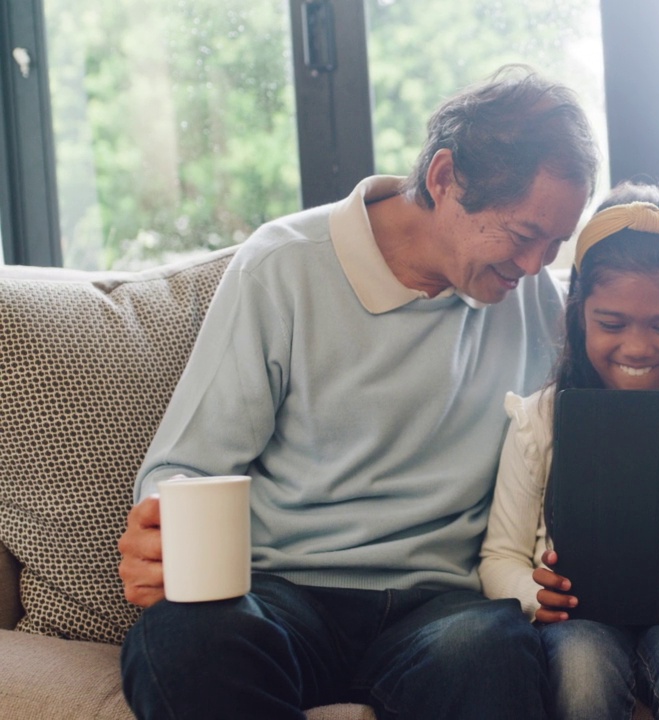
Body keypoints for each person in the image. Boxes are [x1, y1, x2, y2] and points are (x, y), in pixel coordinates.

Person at [114, 66, 599, 720]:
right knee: (179, 643)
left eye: (556, 243)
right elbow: (185, 466)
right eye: (522, 235)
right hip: (282, 592)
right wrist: (158, 527)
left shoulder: (532, 296)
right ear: (445, 178)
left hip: (443, 606)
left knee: (491, 650)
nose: (539, 265)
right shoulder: (281, 266)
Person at [478, 182, 659, 720]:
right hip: (579, 618)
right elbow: (500, 554)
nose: (636, 347)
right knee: (582, 678)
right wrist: (532, 595)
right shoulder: (540, 420)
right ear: (579, 311)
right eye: (611, 324)